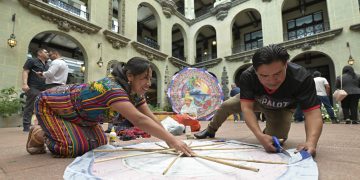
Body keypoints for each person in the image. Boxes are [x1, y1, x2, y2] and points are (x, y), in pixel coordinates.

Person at [26, 57, 192, 157]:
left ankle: (57, 133)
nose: (148, 84)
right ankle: (40, 133)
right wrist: (172, 140)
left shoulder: (135, 93)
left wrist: (170, 140)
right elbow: (139, 119)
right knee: (73, 147)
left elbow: (150, 117)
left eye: (150, 79)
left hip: (82, 117)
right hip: (52, 105)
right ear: (130, 76)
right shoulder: (112, 88)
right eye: (144, 78)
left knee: (99, 143)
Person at [196, 44, 323, 156]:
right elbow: (246, 108)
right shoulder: (247, 76)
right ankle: (210, 129)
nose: (272, 81)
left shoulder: (302, 78)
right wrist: (258, 135)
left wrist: (311, 143)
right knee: (226, 105)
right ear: (255, 71)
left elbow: (313, 114)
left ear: (286, 65)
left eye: (277, 74)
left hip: (281, 109)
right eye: (264, 75)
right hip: (255, 101)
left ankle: (268, 133)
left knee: (277, 139)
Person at [21, 48, 49, 132]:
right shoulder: (32, 61)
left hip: (44, 88)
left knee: (42, 108)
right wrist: (25, 84)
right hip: (33, 87)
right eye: (46, 52)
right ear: (40, 53)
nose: (48, 53)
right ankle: (26, 126)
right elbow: (25, 71)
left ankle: (41, 126)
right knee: (30, 106)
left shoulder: (48, 65)